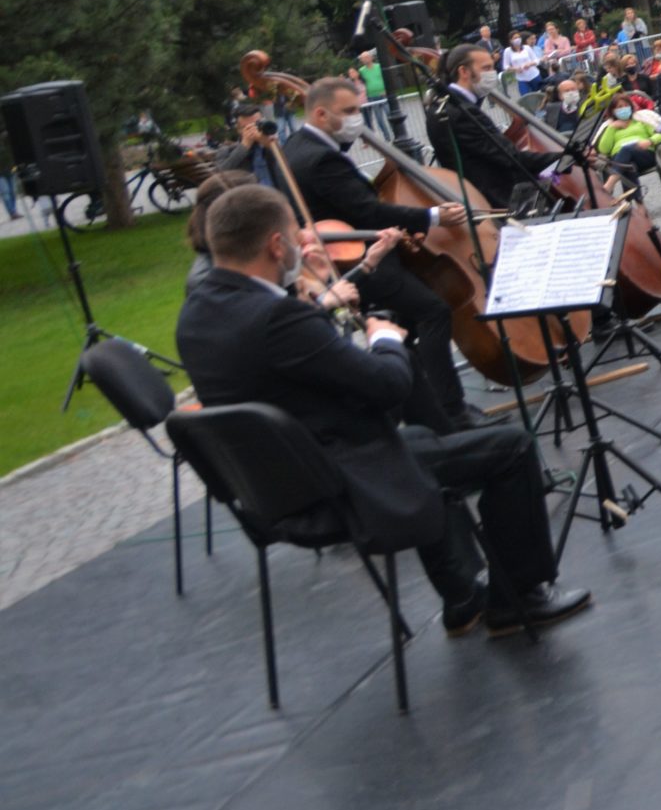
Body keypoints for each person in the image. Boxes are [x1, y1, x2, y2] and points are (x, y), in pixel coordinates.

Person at [177, 185, 591, 636]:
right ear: (276, 245)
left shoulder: (196, 314)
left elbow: (288, 369)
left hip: (273, 489)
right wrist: (386, 340)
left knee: (423, 443)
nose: (304, 243)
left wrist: (318, 301)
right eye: (297, 236)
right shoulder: (277, 318)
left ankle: (462, 598)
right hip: (342, 480)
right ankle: (519, 598)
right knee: (511, 447)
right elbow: (387, 386)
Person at [283, 77, 479, 433]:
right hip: (362, 260)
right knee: (433, 312)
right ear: (321, 114)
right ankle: (452, 413)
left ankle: (421, 410)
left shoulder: (294, 145)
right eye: (349, 111)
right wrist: (432, 216)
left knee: (404, 329)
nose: (357, 119)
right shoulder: (321, 159)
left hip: (345, 255)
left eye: (358, 109)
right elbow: (368, 211)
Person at [418, 44, 557, 217]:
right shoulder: (461, 112)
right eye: (486, 68)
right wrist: (562, 158)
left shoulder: (448, 104)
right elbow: (509, 157)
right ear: (464, 71)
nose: (492, 73)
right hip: (497, 202)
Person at [595, 94, 661, 186]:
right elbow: (604, 149)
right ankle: (635, 196)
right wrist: (612, 128)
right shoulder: (610, 127)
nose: (624, 109)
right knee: (628, 166)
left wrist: (650, 141)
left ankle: (610, 183)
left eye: (626, 105)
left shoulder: (641, 120)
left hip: (643, 154)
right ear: (613, 111)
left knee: (626, 150)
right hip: (621, 160)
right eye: (620, 107)